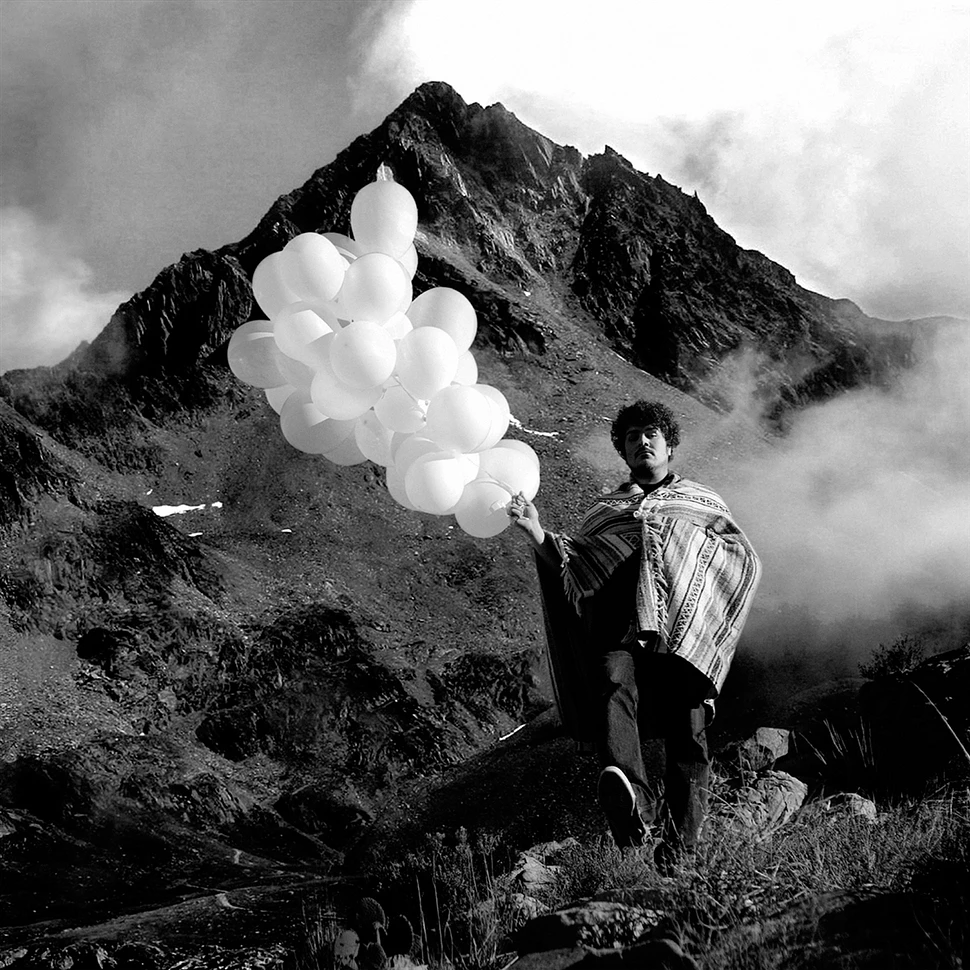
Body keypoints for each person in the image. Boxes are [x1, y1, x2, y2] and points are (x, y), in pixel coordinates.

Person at [507, 400, 761, 867]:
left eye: (651, 434)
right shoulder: (606, 511)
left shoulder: (700, 503)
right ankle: (634, 807)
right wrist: (537, 530)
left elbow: (738, 557)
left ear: (669, 445)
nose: (642, 442)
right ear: (622, 451)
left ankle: (681, 852)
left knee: (689, 732)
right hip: (619, 629)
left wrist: (685, 565)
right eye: (631, 437)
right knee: (610, 686)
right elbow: (573, 565)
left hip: (682, 635)